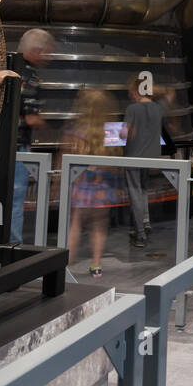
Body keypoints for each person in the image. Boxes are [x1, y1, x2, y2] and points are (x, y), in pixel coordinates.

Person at [0, 28, 53, 244]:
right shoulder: (31, 78)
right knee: (14, 201)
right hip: (17, 150)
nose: (47, 57)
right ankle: (12, 246)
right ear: (36, 50)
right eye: (46, 52)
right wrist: (55, 127)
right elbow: (32, 119)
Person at [65, 87, 125, 278]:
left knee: (75, 223)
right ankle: (96, 265)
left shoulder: (76, 131)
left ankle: (66, 263)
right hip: (103, 188)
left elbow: (66, 158)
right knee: (99, 226)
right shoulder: (112, 131)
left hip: (81, 186)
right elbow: (117, 164)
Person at [121, 75, 165, 248]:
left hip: (133, 156)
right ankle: (146, 222)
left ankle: (140, 234)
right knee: (143, 188)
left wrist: (121, 133)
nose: (130, 95)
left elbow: (124, 134)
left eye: (132, 91)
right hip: (151, 156)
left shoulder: (132, 109)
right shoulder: (158, 108)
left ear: (137, 91)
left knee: (134, 191)